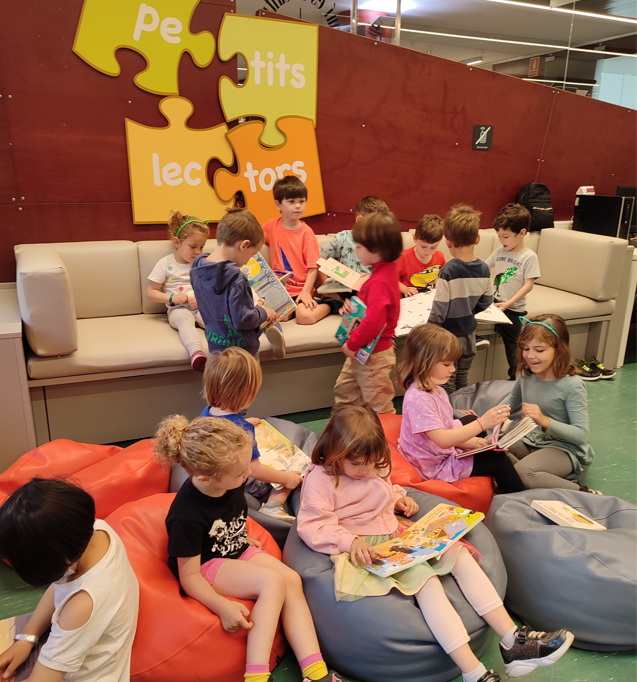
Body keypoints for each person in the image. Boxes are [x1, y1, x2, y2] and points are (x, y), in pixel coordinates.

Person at [297, 405, 573, 682]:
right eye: (357, 464)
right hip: (366, 549)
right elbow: (312, 524)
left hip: (396, 534)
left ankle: (513, 640)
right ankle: (473, 672)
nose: (365, 470)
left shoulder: (376, 464)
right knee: (426, 581)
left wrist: (398, 500)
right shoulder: (322, 477)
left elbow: (384, 489)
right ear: (334, 451)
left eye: (371, 462)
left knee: (458, 551)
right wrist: (349, 542)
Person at [154, 415, 344, 682]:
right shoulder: (187, 515)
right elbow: (189, 577)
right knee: (272, 582)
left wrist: (238, 538)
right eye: (241, 472)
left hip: (234, 549)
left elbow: (226, 517)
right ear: (207, 479)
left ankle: (315, 672)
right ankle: (256, 677)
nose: (248, 474)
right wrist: (221, 606)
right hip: (205, 565)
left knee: (291, 579)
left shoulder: (229, 480)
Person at [0, 479, 139, 682]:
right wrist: (27, 638)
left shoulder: (82, 605)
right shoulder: (94, 530)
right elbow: (62, 586)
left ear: (61, 560)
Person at [396, 324, 526, 494]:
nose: (453, 369)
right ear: (424, 362)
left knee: (473, 422)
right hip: (432, 465)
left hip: (437, 450)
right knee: (498, 460)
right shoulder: (418, 398)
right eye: (446, 364)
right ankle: (520, 498)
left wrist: (478, 443)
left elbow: (448, 427)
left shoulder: (436, 389)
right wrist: (482, 424)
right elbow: (443, 440)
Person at [201, 347, 307, 522]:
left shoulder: (207, 412)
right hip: (241, 480)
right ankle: (273, 505)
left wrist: (244, 423)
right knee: (292, 469)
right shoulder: (242, 431)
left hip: (218, 472)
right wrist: (287, 478)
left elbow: (225, 427)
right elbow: (255, 470)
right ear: (246, 394)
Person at [501, 314, 599, 492]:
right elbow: (510, 402)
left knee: (523, 474)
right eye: (525, 348)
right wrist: (484, 419)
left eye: (539, 350)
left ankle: (583, 492)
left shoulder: (572, 385)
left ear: (559, 350)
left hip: (563, 448)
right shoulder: (525, 374)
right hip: (530, 440)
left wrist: (544, 420)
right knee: (489, 448)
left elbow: (581, 435)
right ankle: (523, 474)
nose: (530, 356)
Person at [191, 207, 285, 359]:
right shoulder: (237, 279)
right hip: (243, 353)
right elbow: (244, 319)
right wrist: (264, 312)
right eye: (252, 253)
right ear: (244, 245)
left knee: (217, 376)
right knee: (250, 377)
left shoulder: (197, 267)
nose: (251, 258)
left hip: (216, 348)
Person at [333, 211, 403, 414]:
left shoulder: (380, 281)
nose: (355, 250)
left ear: (377, 251)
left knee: (379, 408)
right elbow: (368, 310)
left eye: (359, 246)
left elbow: (374, 322)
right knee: (345, 393)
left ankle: (383, 435)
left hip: (373, 355)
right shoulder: (382, 273)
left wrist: (352, 344)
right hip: (363, 352)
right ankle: (347, 428)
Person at [429, 205, 493, 393]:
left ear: (447, 242)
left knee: (446, 381)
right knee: (462, 376)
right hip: (469, 335)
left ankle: (450, 409)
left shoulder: (448, 271)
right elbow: (487, 300)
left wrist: (429, 331)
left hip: (448, 338)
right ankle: (462, 407)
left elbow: (440, 310)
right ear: (478, 238)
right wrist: (469, 311)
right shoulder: (484, 268)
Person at [262, 176, 342, 325]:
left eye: (301, 201)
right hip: (279, 291)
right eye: (291, 201)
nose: (298, 206)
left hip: (301, 290)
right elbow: (253, 238)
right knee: (278, 317)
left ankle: (331, 304)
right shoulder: (271, 226)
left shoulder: (307, 233)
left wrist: (305, 292)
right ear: (278, 204)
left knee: (304, 317)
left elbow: (313, 268)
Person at [147, 210, 210, 372]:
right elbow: (151, 292)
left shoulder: (202, 262)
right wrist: (172, 298)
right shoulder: (166, 263)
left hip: (201, 307)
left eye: (201, 247)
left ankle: (231, 345)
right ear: (177, 242)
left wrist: (202, 298)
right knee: (184, 320)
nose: (198, 252)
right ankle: (196, 353)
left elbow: (212, 287)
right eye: (193, 247)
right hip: (178, 309)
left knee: (215, 318)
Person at [485, 204, 541, 380]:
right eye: (499, 236)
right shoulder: (499, 251)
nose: (501, 240)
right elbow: (483, 267)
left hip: (513, 310)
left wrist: (508, 303)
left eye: (506, 236)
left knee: (514, 352)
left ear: (522, 233)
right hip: (494, 305)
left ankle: (516, 382)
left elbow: (528, 285)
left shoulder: (529, 257)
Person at [319, 196, 390, 280]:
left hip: (371, 285)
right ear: (359, 220)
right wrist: (325, 283)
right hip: (343, 286)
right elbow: (319, 259)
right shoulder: (343, 238)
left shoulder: (381, 242)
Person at [397, 214, 446, 296]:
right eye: (423, 246)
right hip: (408, 294)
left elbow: (443, 275)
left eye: (433, 247)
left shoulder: (440, 257)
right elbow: (391, 279)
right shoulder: (404, 257)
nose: (427, 252)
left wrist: (437, 281)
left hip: (428, 294)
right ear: (415, 238)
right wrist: (405, 289)